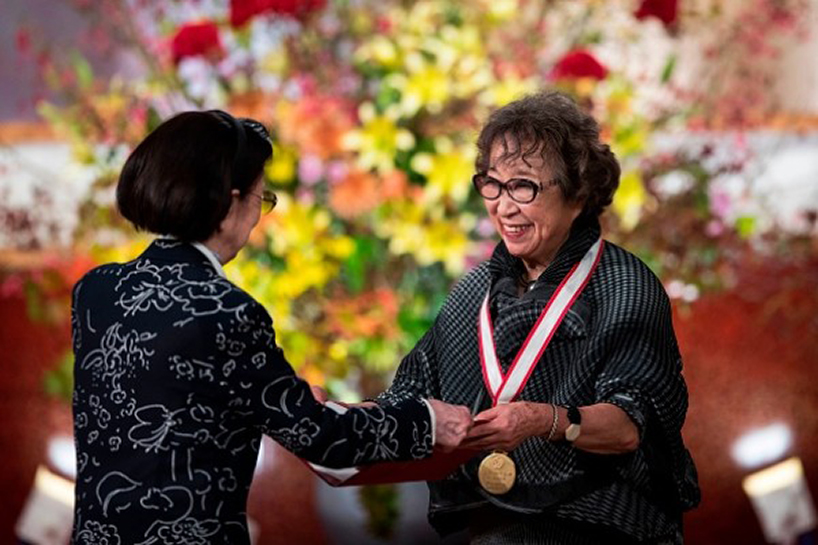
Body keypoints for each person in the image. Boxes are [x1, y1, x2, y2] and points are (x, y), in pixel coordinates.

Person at [69, 110, 472, 545]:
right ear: (229, 203)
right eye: (261, 199)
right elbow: (322, 438)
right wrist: (428, 419)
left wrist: (291, 398)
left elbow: (182, 398)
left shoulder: (95, 292)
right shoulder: (227, 311)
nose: (259, 218)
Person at [375, 91, 700, 544]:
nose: (503, 206)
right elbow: (410, 392)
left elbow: (629, 427)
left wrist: (541, 419)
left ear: (579, 193)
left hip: (603, 528)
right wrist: (338, 414)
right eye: (491, 183)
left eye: (523, 186)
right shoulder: (474, 290)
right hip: (489, 528)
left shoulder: (625, 284)